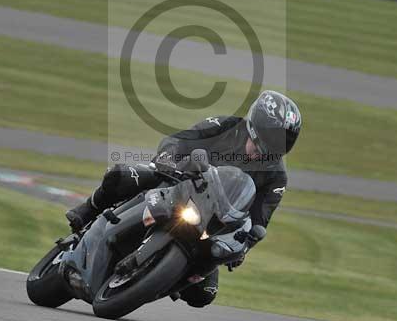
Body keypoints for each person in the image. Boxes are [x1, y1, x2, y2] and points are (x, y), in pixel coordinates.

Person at [66, 90, 302, 308]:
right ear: (256, 124)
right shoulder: (225, 126)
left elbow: (259, 221)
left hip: (210, 224)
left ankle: (156, 278)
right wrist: (169, 159)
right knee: (122, 175)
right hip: (178, 184)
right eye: (271, 136)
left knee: (204, 294)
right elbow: (180, 140)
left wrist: (244, 247)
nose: (268, 148)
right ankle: (89, 208)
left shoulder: (276, 177)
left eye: (282, 140)